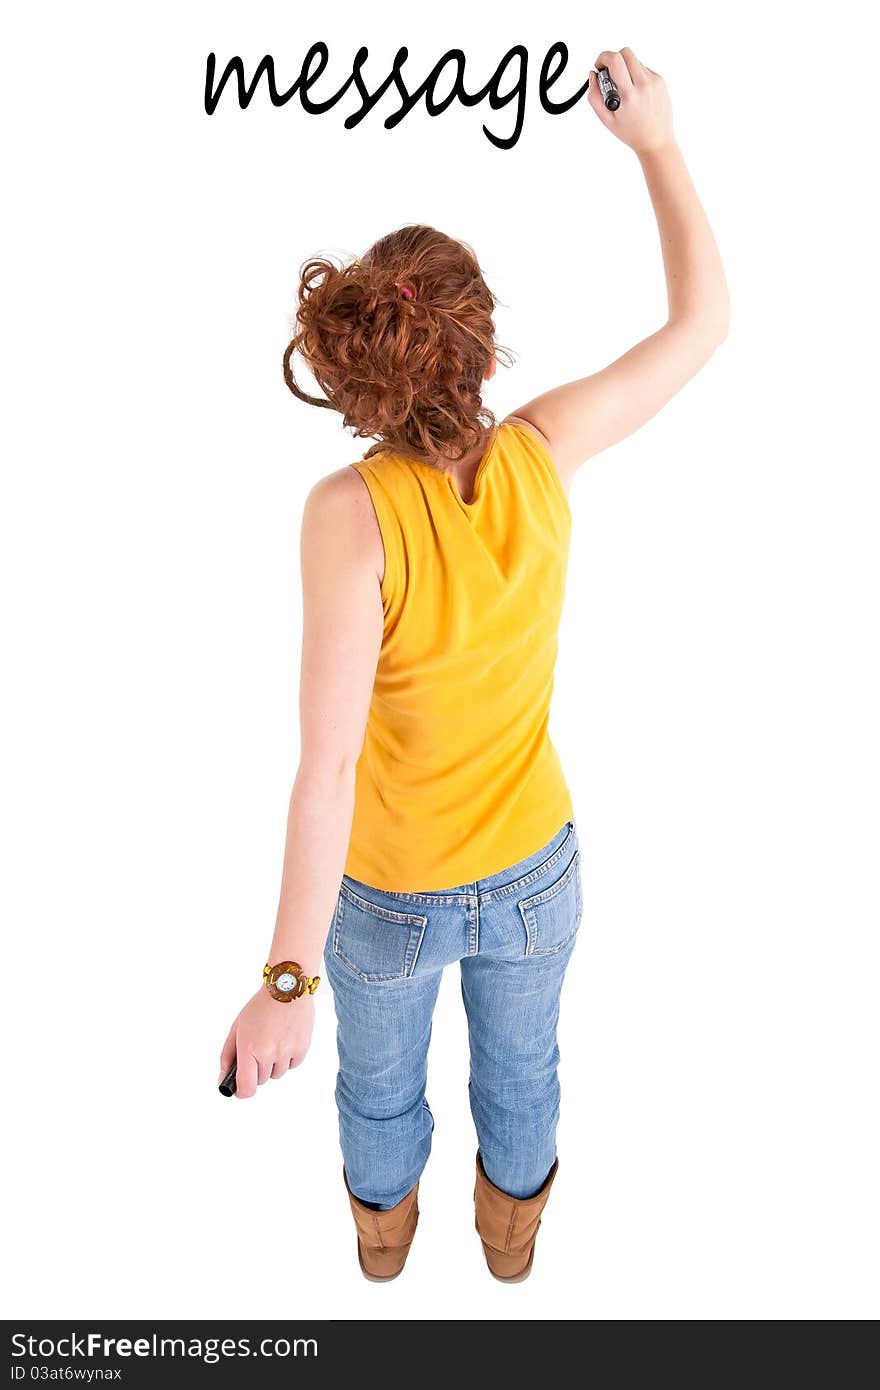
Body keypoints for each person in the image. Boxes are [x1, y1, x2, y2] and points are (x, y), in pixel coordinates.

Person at [219, 46, 729, 1283]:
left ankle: (381, 1250)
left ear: (363, 387)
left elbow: (326, 772)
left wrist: (284, 981)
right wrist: (656, 141)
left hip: (388, 901)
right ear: (487, 356)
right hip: (537, 877)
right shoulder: (546, 449)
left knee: (379, 1090)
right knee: (525, 1072)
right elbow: (704, 323)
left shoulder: (348, 513)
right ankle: (512, 1248)